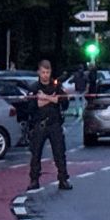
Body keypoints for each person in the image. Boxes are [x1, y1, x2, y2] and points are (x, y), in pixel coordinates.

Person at [25, 60, 72, 190]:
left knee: (59, 153)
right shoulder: (34, 88)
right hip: (39, 124)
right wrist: (52, 99)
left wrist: (45, 97)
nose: (45, 75)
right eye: (43, 72)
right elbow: (33, 106)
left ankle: (63, 179)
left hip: (54, 124)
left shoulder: (57, 86)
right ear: (39, 72)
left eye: (47, 72)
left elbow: (64, 102)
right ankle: (34, 180)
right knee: (36, 154)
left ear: (50, 72)